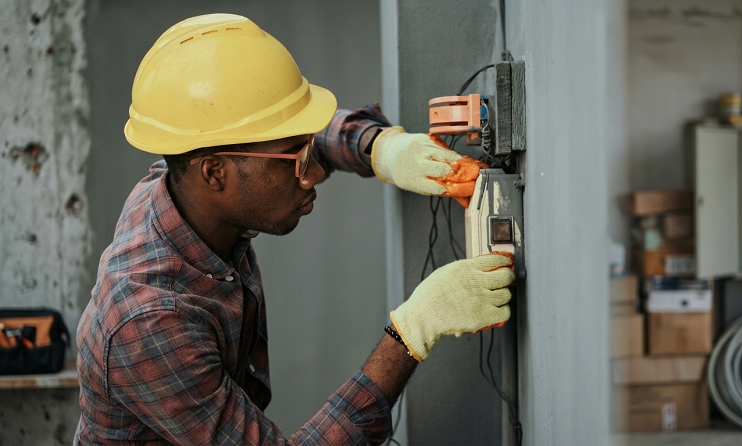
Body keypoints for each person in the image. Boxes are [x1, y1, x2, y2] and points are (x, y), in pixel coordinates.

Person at [75, 13, 514, 445]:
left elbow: (281, 136)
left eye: (307, 151)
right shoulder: (147, 322)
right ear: (213, 173)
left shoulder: (184, 177)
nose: (313, 175)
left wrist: (379, 147)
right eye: (296, 161)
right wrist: (413, 331)